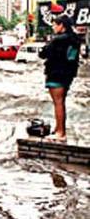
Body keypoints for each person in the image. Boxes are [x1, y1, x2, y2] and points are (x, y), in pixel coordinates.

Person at [38, 14, 81, 142]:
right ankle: (58, 129)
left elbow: (43, 54)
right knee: (61, 102)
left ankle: (61, 133)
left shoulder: (58, 40)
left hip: (56, 74)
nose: (53, 27)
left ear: (61, 25)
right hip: (68, 75)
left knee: (58, 103)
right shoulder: (74, 38)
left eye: (55, 25)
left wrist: (48, 43)